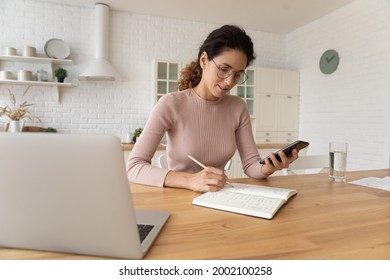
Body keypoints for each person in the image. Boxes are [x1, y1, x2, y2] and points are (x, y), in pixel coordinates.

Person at [127, 25, 298, 192]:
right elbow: (134, 167)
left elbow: (251, 166)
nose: (230, 81)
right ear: (204, 61)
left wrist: (269, 167)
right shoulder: (171, 104)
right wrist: (190, 180)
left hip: (219, 197)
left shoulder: (238, 107)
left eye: (238, 74)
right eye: (224, 69)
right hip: (179, 199)